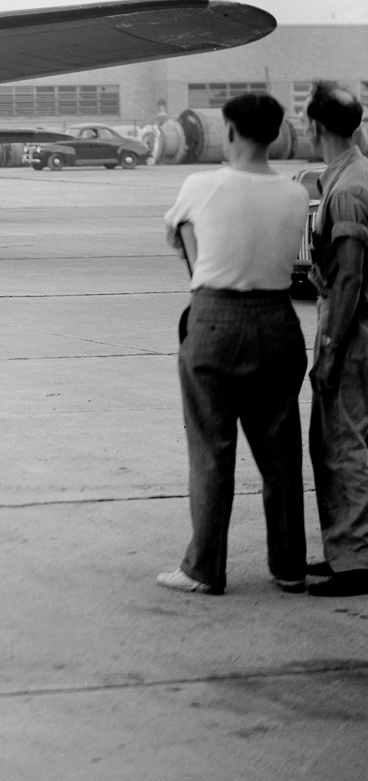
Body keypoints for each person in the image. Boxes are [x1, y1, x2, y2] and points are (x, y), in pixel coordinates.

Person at [159, 92, 310, 595]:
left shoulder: (201, 184)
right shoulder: (293, 192)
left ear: (228, 132)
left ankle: (204, 568)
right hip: (278, 320)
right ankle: (289, 566)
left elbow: (175, 231)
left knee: (211, 449)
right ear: (275, 134)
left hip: (216, 319)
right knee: (281, 452)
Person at [303, 83, 368, 597]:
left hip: (351, 329)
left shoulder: (347, 187)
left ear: (315, 128)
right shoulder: (351, 173)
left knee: (342, 441)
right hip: (354, 321)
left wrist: (329, 350)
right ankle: (347, 547)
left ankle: (355, 559)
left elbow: (349, 277)